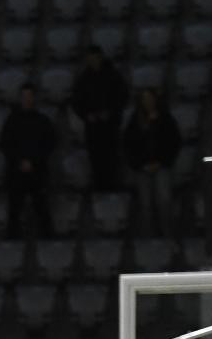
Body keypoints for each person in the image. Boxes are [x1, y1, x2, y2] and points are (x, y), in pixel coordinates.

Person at [122, 87, 182, 237]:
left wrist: (161, 162)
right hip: (142, 168)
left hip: (162, 166)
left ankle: (167, 234)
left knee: (164, 201)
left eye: (150, 98)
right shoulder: (135, 121)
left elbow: (174, 142)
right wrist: (140, 164)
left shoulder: (166, 118)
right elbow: (128, 145)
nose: (148, 102)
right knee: (146, 204)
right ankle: (149, 236)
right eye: (145, 99)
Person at [0, 84, 57, 238]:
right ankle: (12, 243)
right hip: (16, 173)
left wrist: (33, 161)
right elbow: (6, 144)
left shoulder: (42, 121)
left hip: (38, 173)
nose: (26, 99)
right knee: (14, 211)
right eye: (24, 96)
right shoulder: (12, 121)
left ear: (34, 98)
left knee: (42, 209)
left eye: (29, 96)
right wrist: (20, 162)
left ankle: (48, 241)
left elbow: (49, 144)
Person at [72, 46, 130, 191]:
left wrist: (110, 112)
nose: (93, 61)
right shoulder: (84, 78)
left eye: (95, 58)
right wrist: (87, 115)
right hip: (92, 128)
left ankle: (112, 189)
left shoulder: (113, 75)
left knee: (111, 158)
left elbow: (122, 97)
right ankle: (99, 190)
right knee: (95, 159)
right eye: (90, 59)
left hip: (110, 126)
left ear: (101, 57)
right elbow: (76, 102)